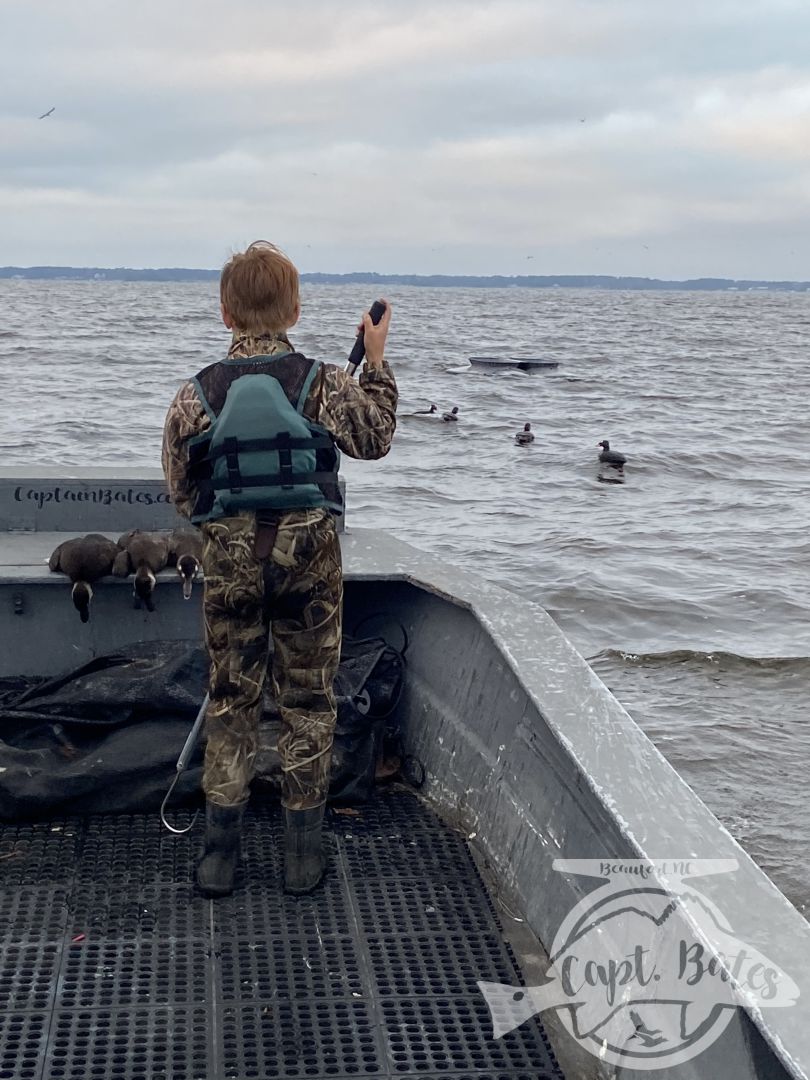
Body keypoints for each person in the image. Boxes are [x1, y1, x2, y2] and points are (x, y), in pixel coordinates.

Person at [162, 241, 397, 897]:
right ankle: (301, 859)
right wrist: (374, 363)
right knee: (308, 704)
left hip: (231, 571)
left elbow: (183, 495)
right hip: (310, 567)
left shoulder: (193, 395)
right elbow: (374, 439)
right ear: (294, 308)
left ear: (224, 314)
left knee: (232, 703)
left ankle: (218, 859)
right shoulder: (324, 382)